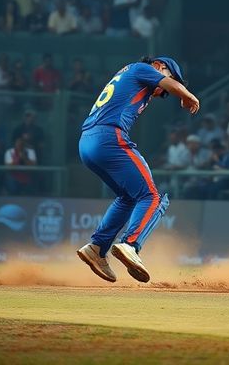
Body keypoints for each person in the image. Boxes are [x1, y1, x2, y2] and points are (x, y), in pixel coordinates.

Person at [75, 55, 199, 284]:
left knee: (128, 196)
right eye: (169, 80)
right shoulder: (142, 69)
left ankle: (97, 248)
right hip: (108, 137)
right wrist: (187, 95)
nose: (161, 94)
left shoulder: (130, 75)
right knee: (152, 196)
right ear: (160, 67)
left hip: (87, 143)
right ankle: (131, 245)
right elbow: (170, 85)